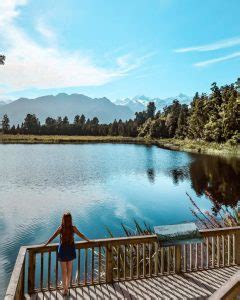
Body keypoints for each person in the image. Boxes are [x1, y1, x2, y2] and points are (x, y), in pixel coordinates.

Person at [44, 212, 90, 295]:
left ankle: (65, 289)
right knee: (69, 271)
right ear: (70, 219)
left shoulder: (61, 228)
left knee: (64, 271)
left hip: (63, 250)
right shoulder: (73, 228)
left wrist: (46, 244)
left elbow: (52, 237)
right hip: (70, 250)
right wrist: (88, 240)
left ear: (63, 219)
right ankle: (66, 289)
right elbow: (81, 235)